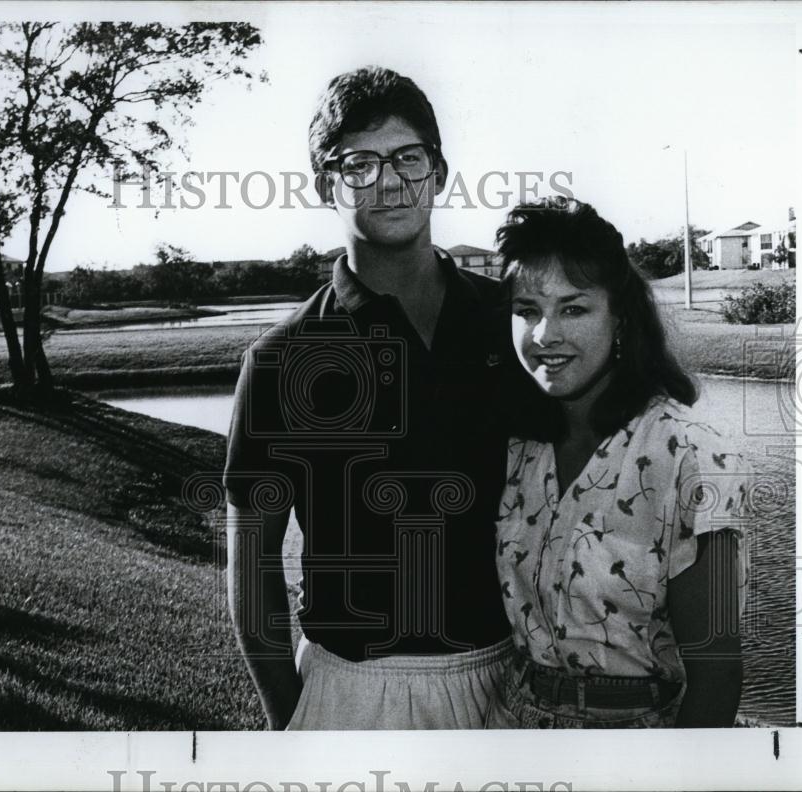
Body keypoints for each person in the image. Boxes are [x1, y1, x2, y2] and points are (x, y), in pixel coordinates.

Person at [223, 66, 514, 730]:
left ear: (438, 173)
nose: (389, 181)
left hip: (511, 680)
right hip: (353, 693)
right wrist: (292, 722)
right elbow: (253, 569)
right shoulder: (280, 359)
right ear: (326, 184)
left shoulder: (508, 323)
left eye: (407, 158)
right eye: (359, 163)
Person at [485, 197, 751, 729]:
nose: (544, 335)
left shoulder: (698, 457)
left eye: (574, 308)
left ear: (620, 318)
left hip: (634, 746)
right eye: (527, 310)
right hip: (510, 731)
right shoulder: (520, 448)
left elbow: (718, 674)